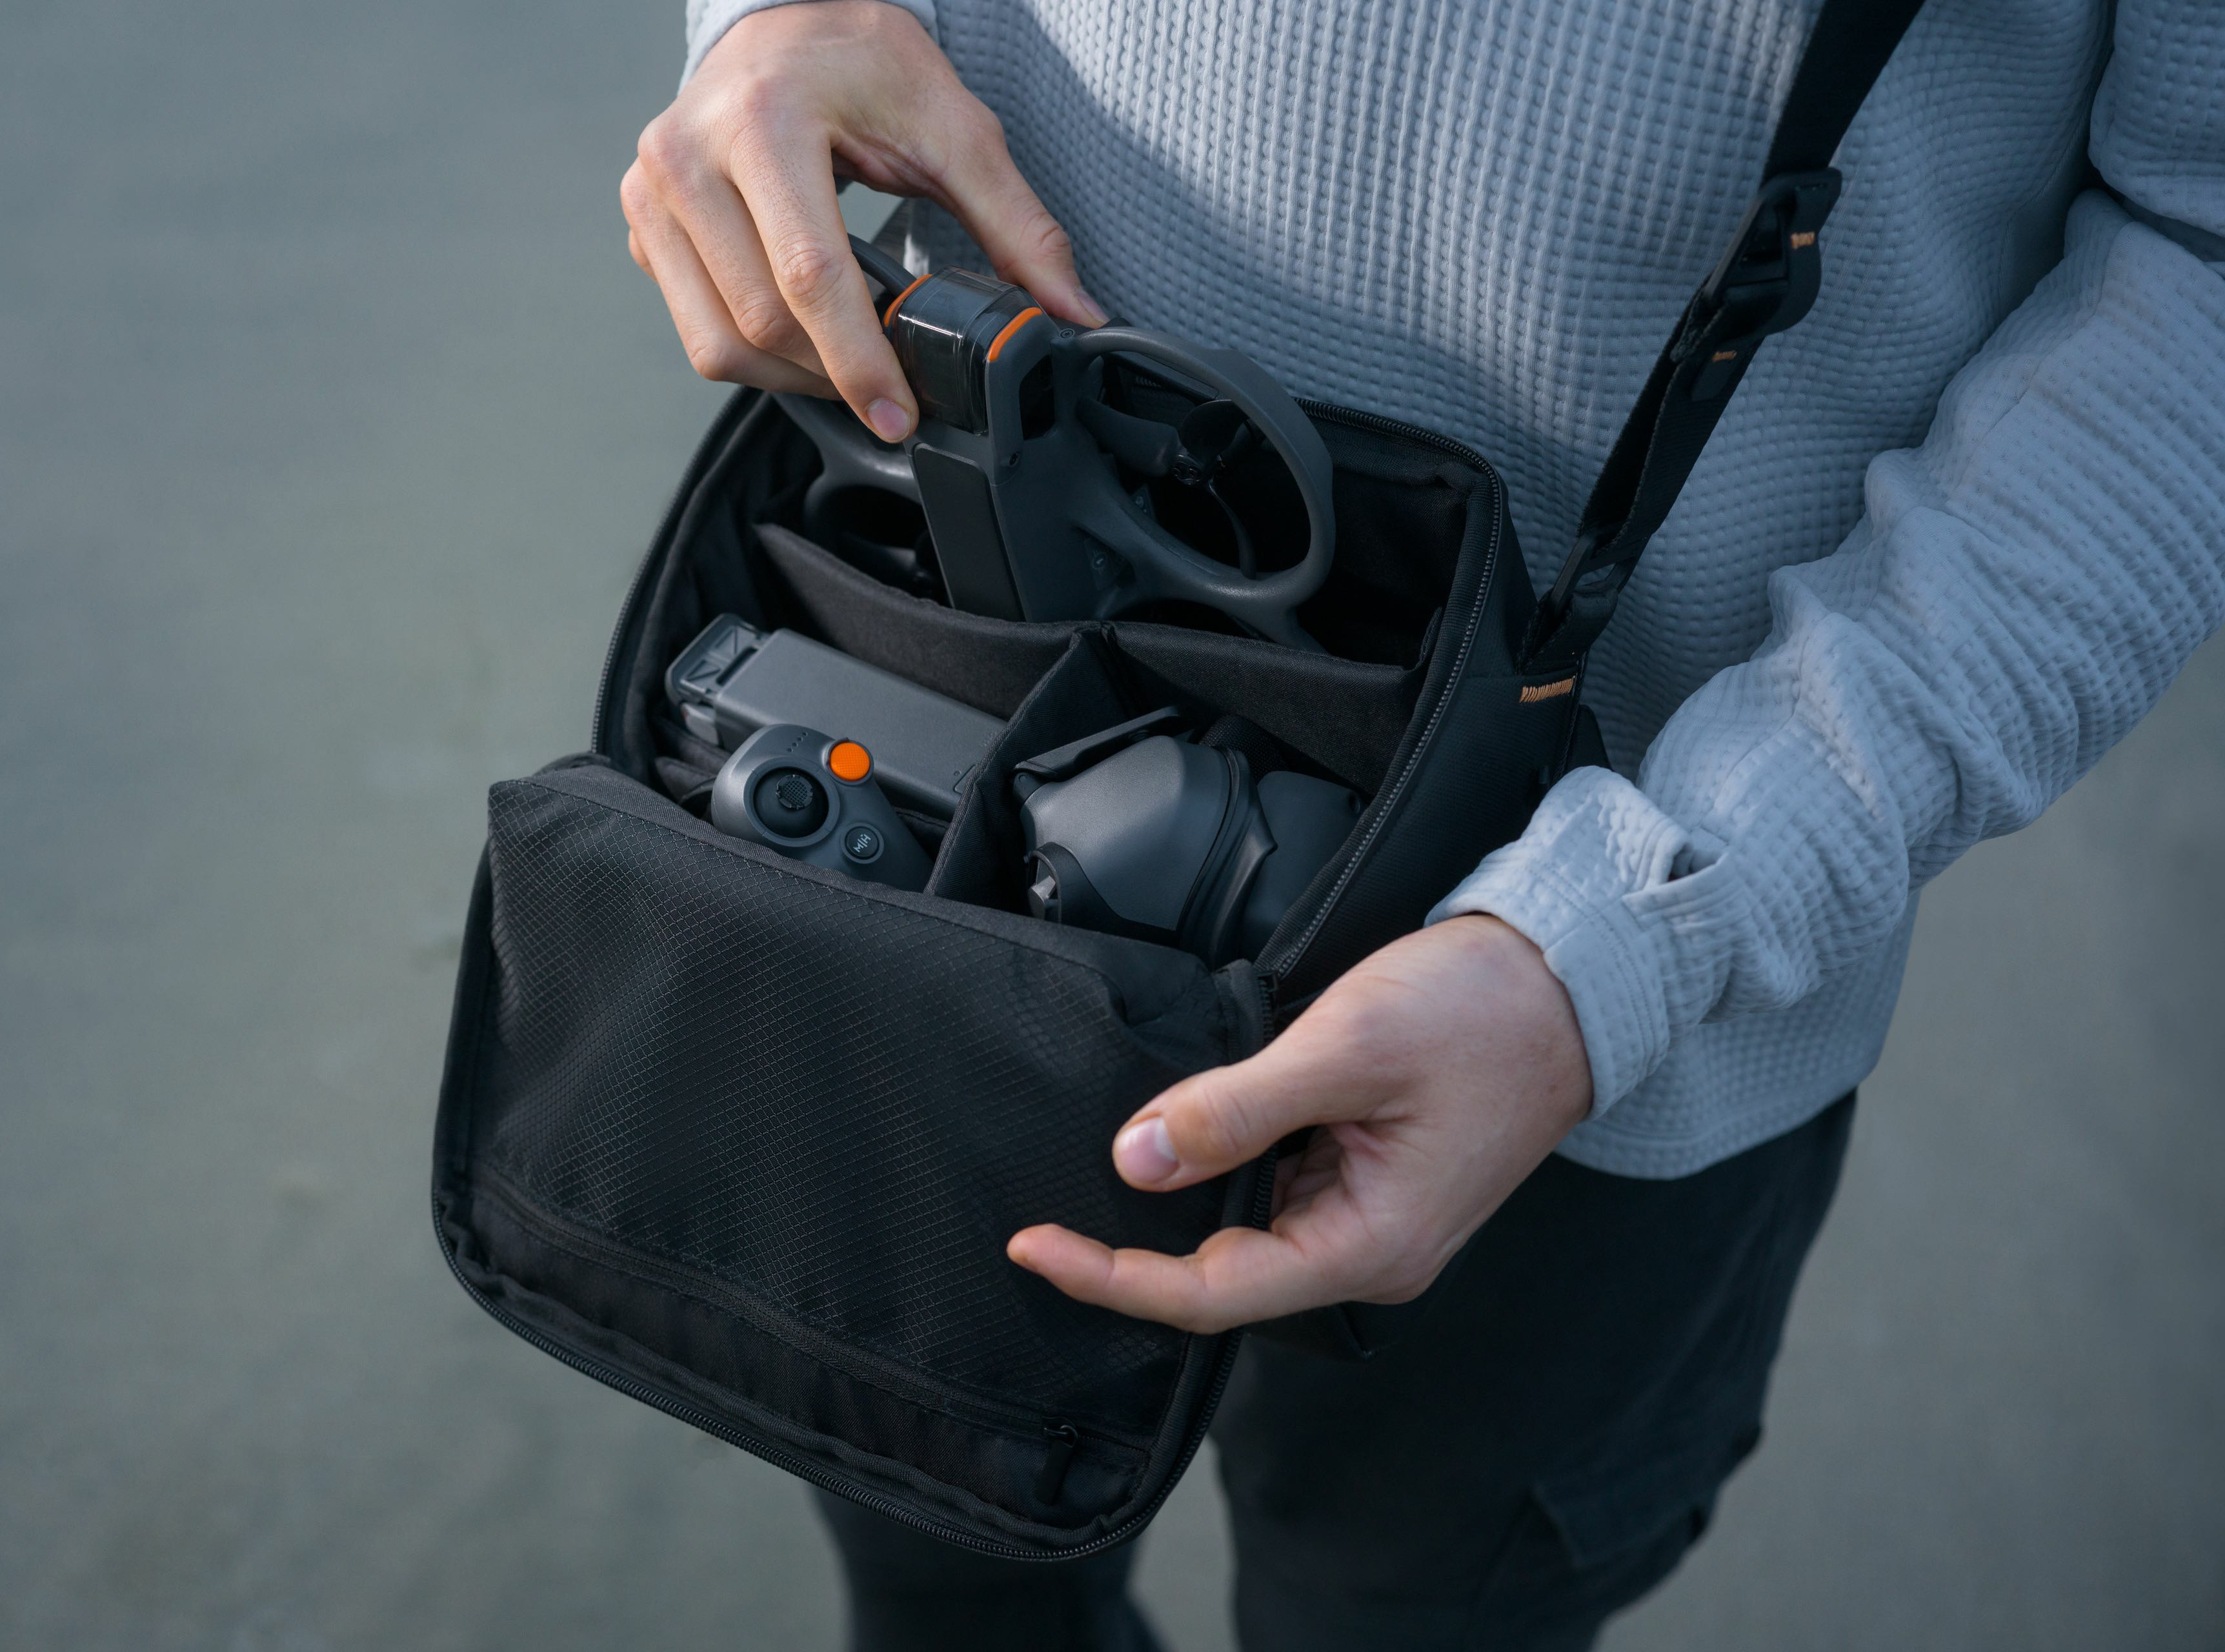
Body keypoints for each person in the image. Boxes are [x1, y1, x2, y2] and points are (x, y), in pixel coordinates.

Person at [621, 1, 2225, 1646]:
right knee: (944, 1573)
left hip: (1608, 1014)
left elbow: (2203, 256)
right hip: (940, 757)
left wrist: (1645, 932)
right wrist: (773, 28)